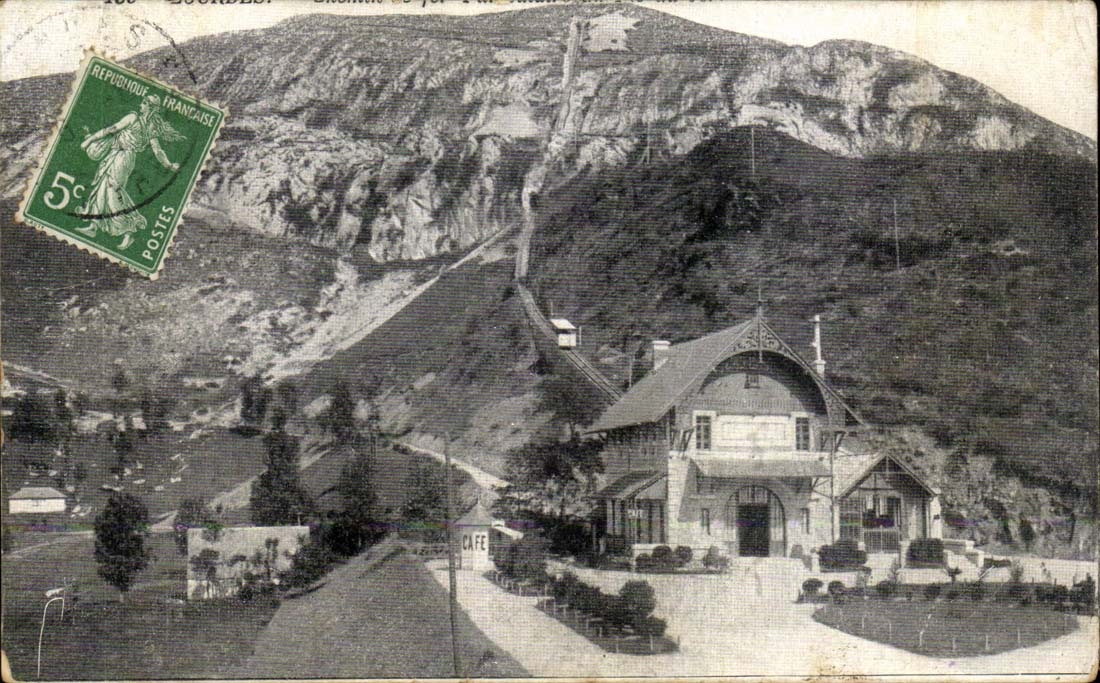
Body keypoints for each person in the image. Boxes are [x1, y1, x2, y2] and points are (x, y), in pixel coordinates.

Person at [75, 94, 184, 250]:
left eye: (145, 103)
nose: (141, 105)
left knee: (113, 191)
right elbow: (112, 130)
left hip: (124, 157)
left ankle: (128, 231)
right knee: (103, 188)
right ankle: (94, 227)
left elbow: (156, 150)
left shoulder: (138, 121)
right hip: (117, 155)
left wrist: (168, 164)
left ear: (151, 107)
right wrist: (90, 139)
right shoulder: (142, 122)